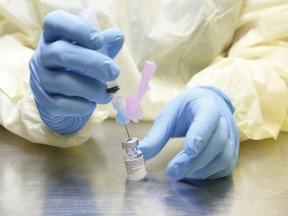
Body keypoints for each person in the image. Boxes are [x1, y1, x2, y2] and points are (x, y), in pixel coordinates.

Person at [0, 1, 288, 180]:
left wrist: (227, 95)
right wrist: (35, 92)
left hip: (197, 118)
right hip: (48, 154)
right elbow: (6, 36)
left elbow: (277, 42)